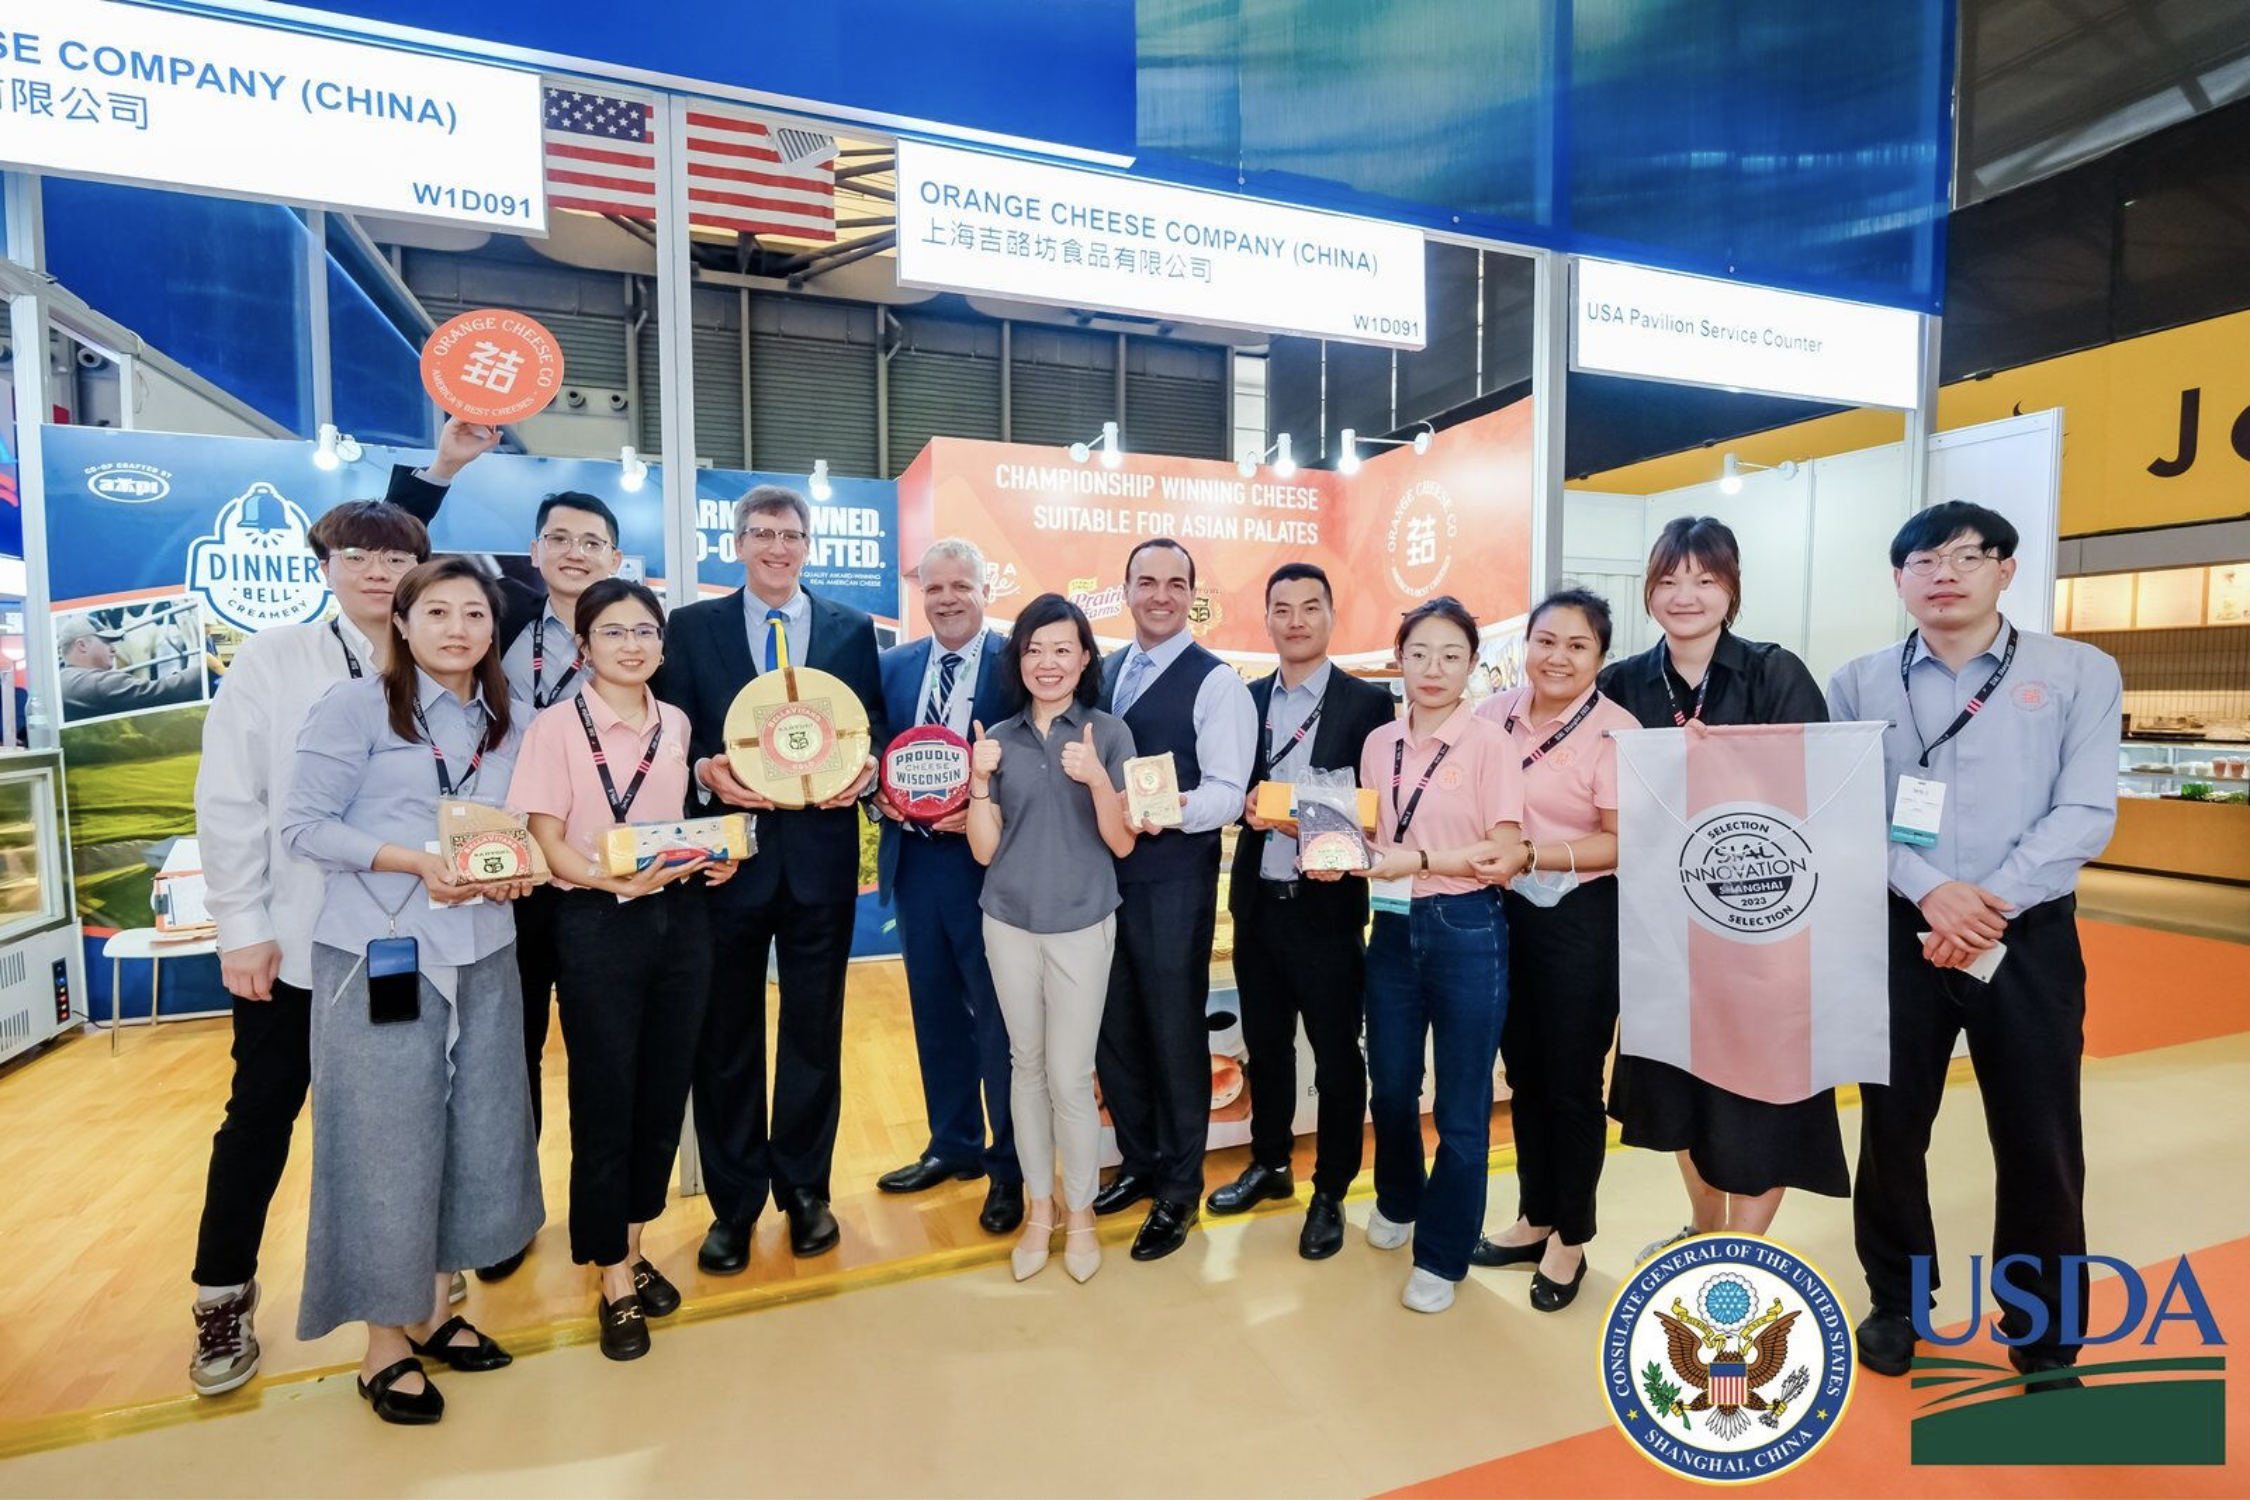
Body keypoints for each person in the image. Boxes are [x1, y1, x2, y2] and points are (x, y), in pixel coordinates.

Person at [1828, 501, 2121, 1394]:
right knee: (1890, 1132)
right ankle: (1898, 1303)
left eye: (1966, 556)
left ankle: (2042, 1336)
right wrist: (1932, 894)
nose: (1943, 573)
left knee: (2040, 1136)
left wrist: (1986, 905)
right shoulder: (1857, 682)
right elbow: (1840, 811)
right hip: (1898, 929)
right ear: (1898, 581)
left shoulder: (2080, 672)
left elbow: (2086, 810)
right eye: (1923, 560)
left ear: (2006, 569)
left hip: (2026, 938)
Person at [187, 494, 445, 1398]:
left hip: (413, 945)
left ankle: (414, 1298)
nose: (377, 572)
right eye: (357, 555)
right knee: (261, 1114)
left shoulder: (446, 663)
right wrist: (242, 928)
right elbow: (229, 801)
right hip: (297, 943)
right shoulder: (275, 660)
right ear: (326, 564)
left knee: (403, 1121)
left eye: (394, 556)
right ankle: (222, 1295)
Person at [281, 556, 544, 1426]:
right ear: (402, 621)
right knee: (382, 1140)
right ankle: (383, 1341)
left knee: (481, 1127)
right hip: (380, 951)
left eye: (475, 613)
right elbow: (304, 826)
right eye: (438, 612)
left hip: (484, 949)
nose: (459, 628)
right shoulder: (355, 707)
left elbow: (529, 826)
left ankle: (435, 1307)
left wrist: (516, 873)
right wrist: (412, 862)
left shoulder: (515, 720)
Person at [388, 422, 619, 1280]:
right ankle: (505, 1214)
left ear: (615, 556)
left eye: (591, 541)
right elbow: (401, 543)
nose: (573, 551)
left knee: (601, 1054)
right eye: (557, 537)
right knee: (500, 1056)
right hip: (500, 876)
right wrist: (444, 466)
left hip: (596, 880)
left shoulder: (638, 636)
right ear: (534, 550)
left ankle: (607, 1220)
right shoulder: (496, 616)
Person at [1597, 516, 1844, 1257]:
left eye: (1705, 579)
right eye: (1670, 580)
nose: (1686, 595)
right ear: (1650, 591)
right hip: (1660, 932)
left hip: (1762, 927)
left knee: (1763, 1089)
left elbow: (1817, 794)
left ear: (1731, 589)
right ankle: (1707, 1226)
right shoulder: (1622, 682)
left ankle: (1744, 1247)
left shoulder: (1775, 674)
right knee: (1679, 1088)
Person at [655, 485, 886, 1271]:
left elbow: (871, 732)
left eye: (790, 534)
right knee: (724, 1038)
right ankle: (734, 1204)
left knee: (814, 1032)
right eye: (761, 533)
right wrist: (705, 772)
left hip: (820, 863)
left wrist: (869, 771)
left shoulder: (853, 631)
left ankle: (806, 1190)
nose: (777, 547)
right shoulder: (690, 629)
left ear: (808, 543)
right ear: (737, 542)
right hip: (728, 865)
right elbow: (674, 735)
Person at [508, 578, 737, 1360]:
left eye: (645, 632)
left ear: (661, 646)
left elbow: (671, 824)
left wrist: (711, 858)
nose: (631, 645)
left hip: (678, 922)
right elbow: (545, 840)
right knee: (606, 1097)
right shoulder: (553, 729)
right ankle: (610, 1272)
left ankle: (634, 1246)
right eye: (613, 632)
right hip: (596, 922)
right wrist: (609, 881)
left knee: (663, 1089)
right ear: (584, 647)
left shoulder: (674, 722)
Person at [1338, 596, 1524, 1314]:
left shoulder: (1489, 746)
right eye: (1420, 653)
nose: (1434, 668)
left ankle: (1444, 1253)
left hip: (1467, 926)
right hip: (1389, 926)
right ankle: (1398, 1196)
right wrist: (1335, 849)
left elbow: (1503, 853)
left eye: (1452, 655)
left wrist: (1418, 858)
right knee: (1388, 1084)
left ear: (1473, 665)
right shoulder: (1380, 743)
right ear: (1400, 659)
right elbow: (1372, 838)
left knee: (1462, 1104)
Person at [1208, 562, 1394, 1259]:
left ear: (1331, 616)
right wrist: (1244, 805)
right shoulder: (1244, 699)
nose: (1295, 620)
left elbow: (1379, 814)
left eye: (1309, 607)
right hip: (1258, 904)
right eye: (1281, 608)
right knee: (1266, 1045)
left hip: (1328, 910)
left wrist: (1304, 822)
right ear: (1266, 619)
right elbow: (1228, 786)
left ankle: (1332, 1191)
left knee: (1339, 1058)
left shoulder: (1369, 705)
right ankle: (1271, 1163)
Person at [1468, 589, 1639, 1311]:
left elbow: (1622, 840)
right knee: (1525, 1075)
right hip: (1503, 914)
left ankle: (1572, 1234)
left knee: (1571, 1084)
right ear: (1526, 647)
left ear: (1600, 657)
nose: (1557, 657)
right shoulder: (1490, 714)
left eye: (1577, 645)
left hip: (1581, 916)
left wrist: (1538, 852)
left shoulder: (1615, 731)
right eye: (1546, 640)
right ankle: (1534, 1215)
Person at [1090, 538, 1257, 1262]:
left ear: (1192, 594)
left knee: (1172, 1030)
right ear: (1125, 590)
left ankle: (1181, 1188)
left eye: (1174, 583)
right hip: (1099, 882)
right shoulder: (1106, 671)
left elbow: (1226, 792)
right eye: (1145, 581)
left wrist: (1160, 809)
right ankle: (1139, 1161)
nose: (1159, 594)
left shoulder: (1216, 682)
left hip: (1172, 881)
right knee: (1115, 1029)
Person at [966, 594, 1139, 1283]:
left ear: (1085, 659)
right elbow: (983, 853)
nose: (1048, 662)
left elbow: (1123, 841)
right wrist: (980, 782)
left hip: (1083, 923)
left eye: (1062, 649)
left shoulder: (1109, 732)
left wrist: (1097, 777)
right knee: (1025, 1068)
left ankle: (1082, 1212)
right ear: (1019, 658)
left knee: (1070, 1078)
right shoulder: (998, 738)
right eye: (1034, 648)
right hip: (1007, 921)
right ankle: (1040, 1209)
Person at [871, 539, 1022, 1233]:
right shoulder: (893, 667)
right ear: (920, 595)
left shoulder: (1017, 663)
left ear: (986, 589)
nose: (948, 598)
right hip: (918, 862)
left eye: (962, 585)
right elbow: (875, 758)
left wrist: (988, 808)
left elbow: (1040, 757)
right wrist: (882, 800)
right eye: (935, 588)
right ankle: (953, 1143)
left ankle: (1009, 1163)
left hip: (991, 867)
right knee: (934, 1013)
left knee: (998, 1022)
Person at [58, 615, 205, 720]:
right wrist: (206, 670)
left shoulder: (63, 679)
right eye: (106, 642)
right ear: (82, 645)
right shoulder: (93, 683)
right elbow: (160, 692)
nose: (114, 650)